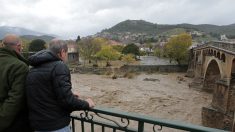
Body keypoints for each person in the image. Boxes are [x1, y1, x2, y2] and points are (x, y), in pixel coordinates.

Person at [26, 39, 95, 132]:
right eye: (66, 53)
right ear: (62, 52)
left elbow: (43, 94)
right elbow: (67, 101)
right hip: (56, 126)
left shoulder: (33, 68)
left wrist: (69, 94)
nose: (66, 56)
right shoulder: (59, 66)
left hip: (38, 125)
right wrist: (86, 103)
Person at [0, 34, 31, 132]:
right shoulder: (19, 66)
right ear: (18, 47)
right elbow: (15, 99)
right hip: (13, 124)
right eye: (21, 47)